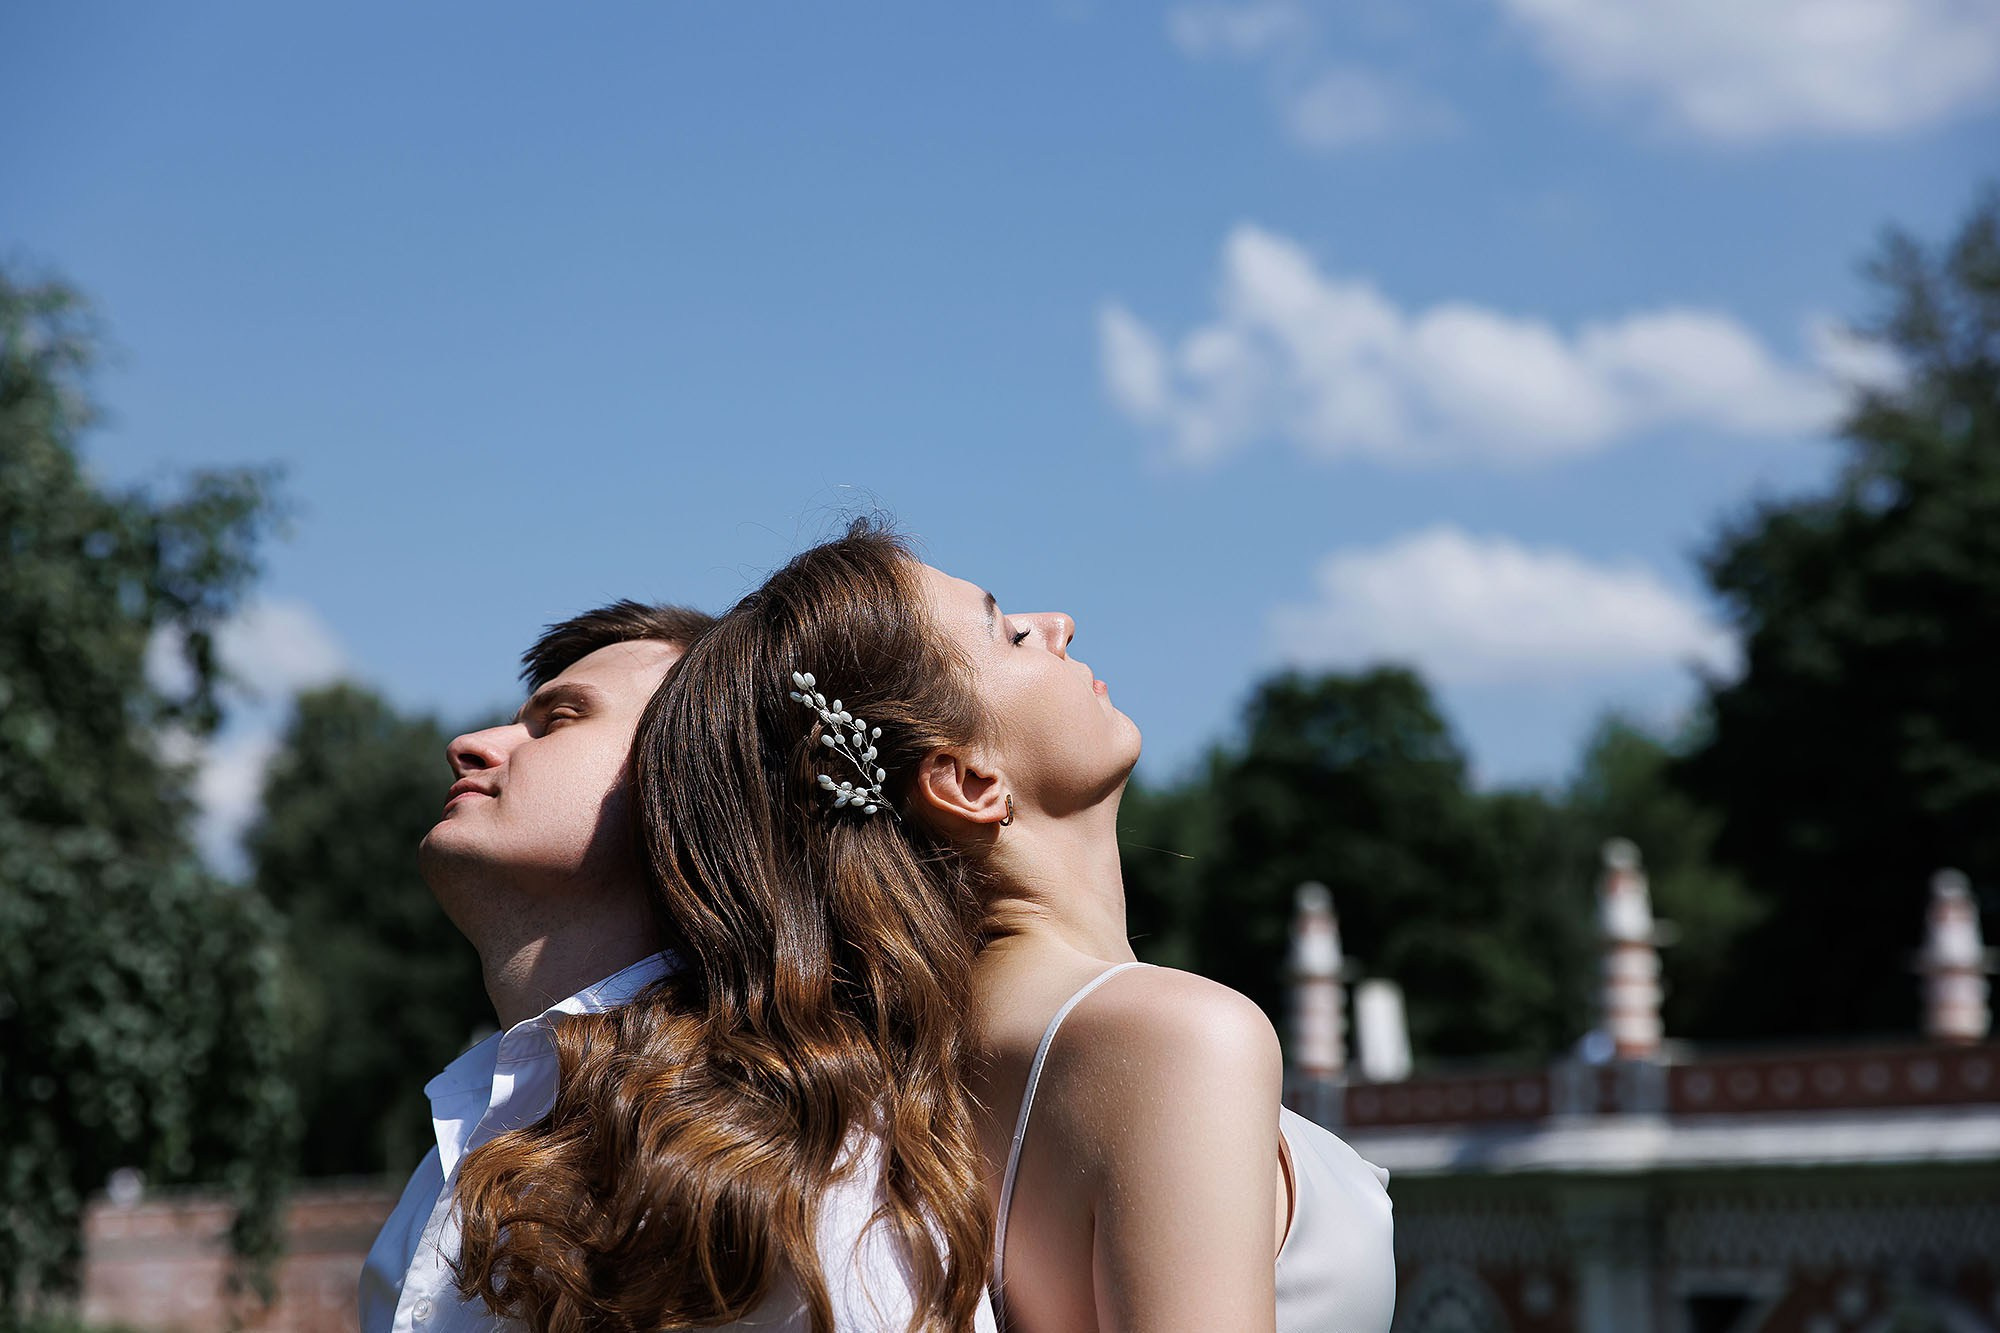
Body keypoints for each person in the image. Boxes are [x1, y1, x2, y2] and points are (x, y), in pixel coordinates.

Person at [633, 520, 1396, 1333]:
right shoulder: (1173, 1040)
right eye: (1008, 630)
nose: (1059, 623)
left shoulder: (884, 1083)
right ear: (967, 780)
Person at [360, 600, 989, 1332]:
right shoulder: (451, 1155)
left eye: (560, 718)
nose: (467, 744)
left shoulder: (800, 1163)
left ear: (694, 779)